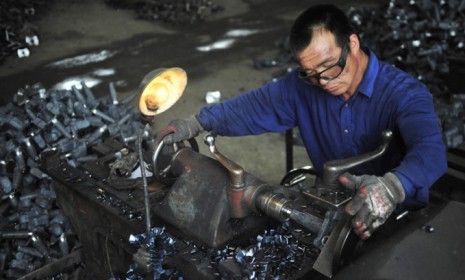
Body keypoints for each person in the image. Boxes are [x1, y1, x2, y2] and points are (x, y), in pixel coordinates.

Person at [160, 4, 447, 239]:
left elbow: (431, 151)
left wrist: (391, 188)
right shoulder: (304, 87)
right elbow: (250, 108)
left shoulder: (404, 93)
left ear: (353, 43)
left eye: (329, 67)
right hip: (332, 207)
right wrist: (196, 122)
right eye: (311, 73)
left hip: (400, 218)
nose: (322, 81)